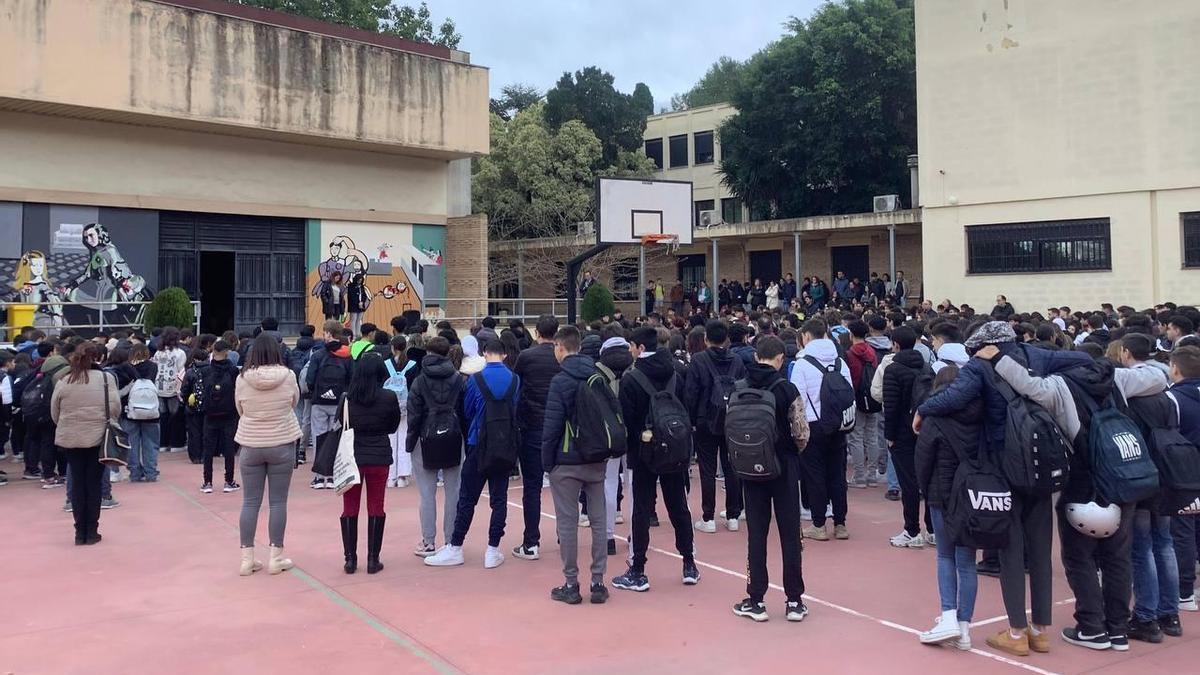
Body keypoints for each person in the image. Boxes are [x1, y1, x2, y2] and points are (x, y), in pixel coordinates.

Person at [612, 326, 699, 592]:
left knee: (642, 508)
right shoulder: (676, 372)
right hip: (674, 447)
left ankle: (638, 569)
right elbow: (687, 406)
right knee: (678, 506)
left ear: (639, 348)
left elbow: (626, 418)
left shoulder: (631, 378)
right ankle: (689, 564)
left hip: (644, 450)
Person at [732, 336, 810, 623]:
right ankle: (794, 600)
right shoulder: (786, 388)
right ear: (779, 359)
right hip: (784, 466)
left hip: (750, 467)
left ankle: (755, 598)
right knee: (790, 533)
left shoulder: (740, 387)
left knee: (756, 533)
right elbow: (801, 432)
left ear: (756, 357)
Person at [425, 340, 519, 569]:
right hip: (505, 444)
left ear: (485, 353)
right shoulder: (515, 380)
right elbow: (516, 408)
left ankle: (455, 546)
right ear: (505, 355)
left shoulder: (476, 380)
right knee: (499, 499)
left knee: (467, 498)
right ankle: (493, 549)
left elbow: (467, 411)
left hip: (478, 443)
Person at [1116, 335, 1183, 642]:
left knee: (1142, 548)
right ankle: (1170, 614)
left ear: (1125, 353)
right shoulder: (1168, 395)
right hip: (1168, 475)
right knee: (1164, 543)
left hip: (1143, 475)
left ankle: (1146, 616)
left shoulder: (1130, 398)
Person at [540, 326, 611, 604]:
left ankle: (571, 582)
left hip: (566, 460)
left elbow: (552, 425)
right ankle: (598, 581)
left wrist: (548, 462)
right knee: (598, 518)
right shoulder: (598, 376)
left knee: (567, 523)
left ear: (560, 347)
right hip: (596, 457)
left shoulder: (561, 380)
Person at [914, 364, 980, 650]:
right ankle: (964, 627)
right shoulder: (981, 414)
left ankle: (948, 615)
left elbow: (923, 459)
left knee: (945, 556)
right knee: (967, 561)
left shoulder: (933, 415)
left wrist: (924, 490)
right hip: (973, 495)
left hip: (941, 493)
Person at [234, 334, 301, 576]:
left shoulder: (242, 378)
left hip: (251, 443)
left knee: (250, 502)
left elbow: (239, 407)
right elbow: (294, 402)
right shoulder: (289, 376)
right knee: (278, 501)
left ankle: (246, 558)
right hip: (282, 442)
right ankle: (275, 557)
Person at [50, 341, 119, 545]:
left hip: (71, 438)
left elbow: (55, 412)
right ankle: (92, 530)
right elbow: (115, 409)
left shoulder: (65, 380)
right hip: (98, 437)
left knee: (78, 483)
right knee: (94, 484)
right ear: (98, 357)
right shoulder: (106, 379)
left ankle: (79, 531)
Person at [339, 354, 401, 575]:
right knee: (376, 506)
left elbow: (341, 422)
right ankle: (373, 559)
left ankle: (350, 559)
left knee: (349, 507)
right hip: (379, 455)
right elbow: (393, 426)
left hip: (352, 456)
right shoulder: (388, 397)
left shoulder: (347, 398)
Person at [790, 319, 852, 541]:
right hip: (838, 424)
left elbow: (797, 399)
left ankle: (818, 525)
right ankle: (841, 524)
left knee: (814, 476)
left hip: (813, 426)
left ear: (806, 337)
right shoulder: (840, 362)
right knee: (837, 474)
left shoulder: (802, 364)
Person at [684, 320, 746, 533]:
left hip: (705, 420)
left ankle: (708, 516)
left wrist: (691, 420)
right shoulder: (737, 361)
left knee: (707, 469)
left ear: (706, 338)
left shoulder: (698, 360)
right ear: (726, 339)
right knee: (732, 466)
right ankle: (733, 515)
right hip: (732, 419)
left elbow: (691, 393)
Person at [405, 336, 465, 557]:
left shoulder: (419, 381)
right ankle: (451, 541)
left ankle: (428, 542)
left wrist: (410, 441)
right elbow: (465, 411)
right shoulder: (459, 379)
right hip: (453, 436)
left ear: (427, 354)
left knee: (427, 493)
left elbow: (414, 414)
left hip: (425, 437)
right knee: (454, 492)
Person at [511, 315, 561, 561]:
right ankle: (565, 536)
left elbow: (517, 389)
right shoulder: (561, 357)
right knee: (564, 486)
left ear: (537, 332)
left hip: (532, 427)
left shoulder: (526, 357)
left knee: (532, 487)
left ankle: (531, 542)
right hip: (560, 429)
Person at [882, 326, 934, 548]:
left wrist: (890, 435)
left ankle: (911, 530)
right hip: (923, 429)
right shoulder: (927, 367)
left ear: (895, 344)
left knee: (908, 483)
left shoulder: (893, 369)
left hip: (902, 433)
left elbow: (891, 407)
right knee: (928, 480)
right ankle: (932, 529)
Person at [1166, 347, 1200, 614]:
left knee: (1182, 531)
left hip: (1185, 472)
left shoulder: (1173, 398)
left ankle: (1184, 591)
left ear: (1176, 369)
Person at [306, 320, 353, 490]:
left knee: (319, 436)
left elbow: (309, 379)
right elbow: (351, 378)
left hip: (319, 402)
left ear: (328, 333)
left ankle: (319, 477)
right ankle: (333, 475)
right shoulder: (347, 354)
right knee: (335, 438)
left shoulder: (318, 354)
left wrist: (314, 392)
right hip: (339, 403)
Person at [200, 341, 240, 494]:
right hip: (229, 413)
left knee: (208, 449)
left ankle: (207, 482)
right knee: (229, 448)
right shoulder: (233, 370)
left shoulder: (206, 370)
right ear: (227, 352)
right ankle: (229, 481)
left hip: (210, 414)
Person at [114, 345, 159, 482]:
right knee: (150, 442)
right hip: (150, 411)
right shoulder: (153, 367)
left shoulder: (123, 367)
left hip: (130, 411)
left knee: (131, 443)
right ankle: (151, 472)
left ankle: (134, 472)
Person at [845, 320, 881, 488]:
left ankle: (859, 476)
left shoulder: (850, 353)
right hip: (872, 396)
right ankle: (872, 474)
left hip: (857, 396)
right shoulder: (871, 351)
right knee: (872, 436)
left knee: (856, 437)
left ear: (851, 334)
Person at [384, 335, 415, 488]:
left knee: (390, 440)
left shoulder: (385, 364)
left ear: (392, 347)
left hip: (388, 406)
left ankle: (390, 476)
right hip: (406, 407)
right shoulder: (413, 365)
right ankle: (403, 476)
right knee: (404, 440)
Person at [151, 327, 188, 453]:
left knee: (162, 416)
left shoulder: (158, 353)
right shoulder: (180, 353)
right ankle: (175, 443)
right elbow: (181, 371)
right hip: (173, 387)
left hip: (159, 385)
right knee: (175, 416)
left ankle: (163, 443)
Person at [179, 347, 208, 465]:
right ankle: (206, 455)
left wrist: (186, 401)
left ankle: (195, 456)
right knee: (206, 431)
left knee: (193, 432)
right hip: (208, 406)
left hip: (192, 406)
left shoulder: (190, 371)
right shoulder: (212, 370)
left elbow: (184, 390)